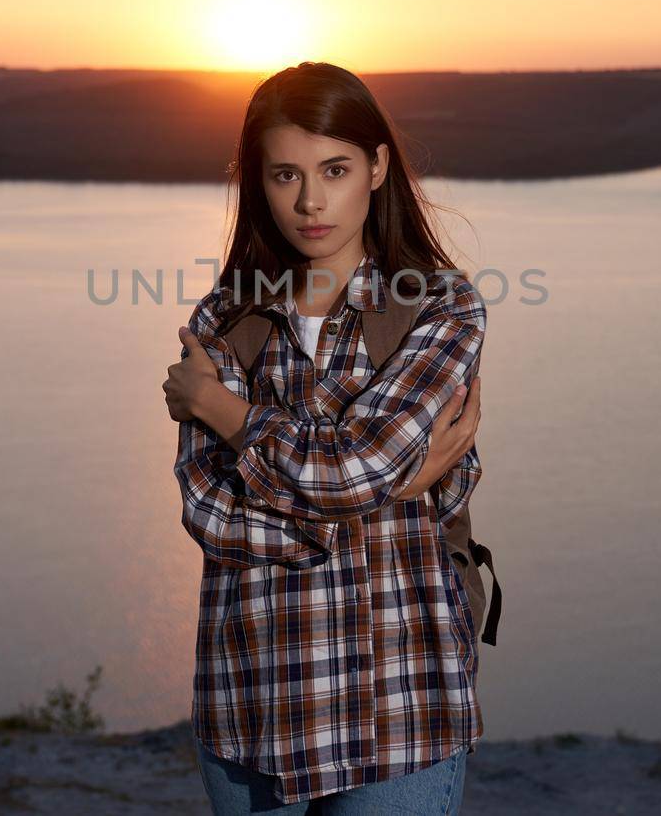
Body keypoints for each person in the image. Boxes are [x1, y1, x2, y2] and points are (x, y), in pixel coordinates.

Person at [164, 61, 486, 813]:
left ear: (376, 167)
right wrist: (383, 492)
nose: (310, 200)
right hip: (251, 699)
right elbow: (209, 510)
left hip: (401, 704)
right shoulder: (222, 320)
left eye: (334, 168)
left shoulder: (441, 307)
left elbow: (353, 470)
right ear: (259, 181)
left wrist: (228, 413)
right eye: (285, 174)